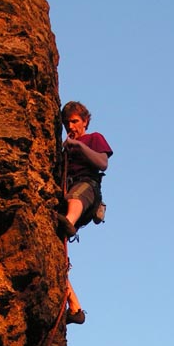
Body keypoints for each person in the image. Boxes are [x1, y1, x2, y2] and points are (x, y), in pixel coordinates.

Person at [58, 101, 113, 325]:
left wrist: (79, 146)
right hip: (68, 190)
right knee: (55, 251)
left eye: (75, 121)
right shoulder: (63, 149)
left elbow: (102, 163)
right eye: (67, 122)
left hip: (87, 188)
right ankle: (74, 306)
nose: (70, 126)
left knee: (75, 196)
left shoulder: (93, 139)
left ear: (85, 121)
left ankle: (68, 221)